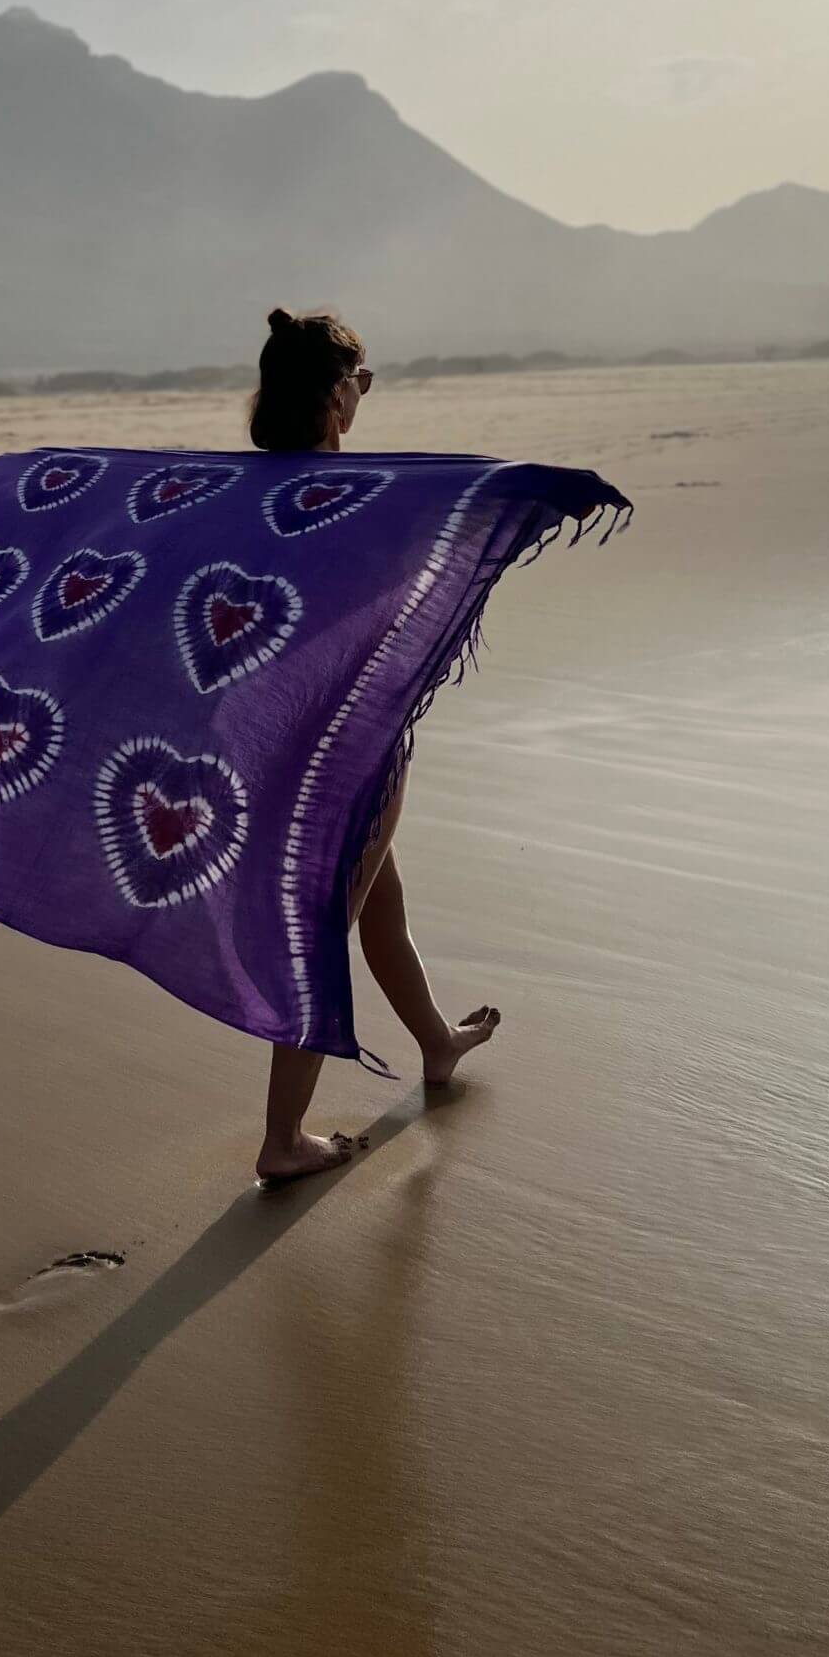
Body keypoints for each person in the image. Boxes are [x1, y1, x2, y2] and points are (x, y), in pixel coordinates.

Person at [249, 307, 500, 1184]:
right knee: (329, 921)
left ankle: (436, 1043)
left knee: (377, 894)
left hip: (278, 739)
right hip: (347, 747)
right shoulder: (352, 497)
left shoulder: (244, 491)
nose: (365, 396)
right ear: (333, 395)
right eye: (361, 380)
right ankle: (284, 1138)